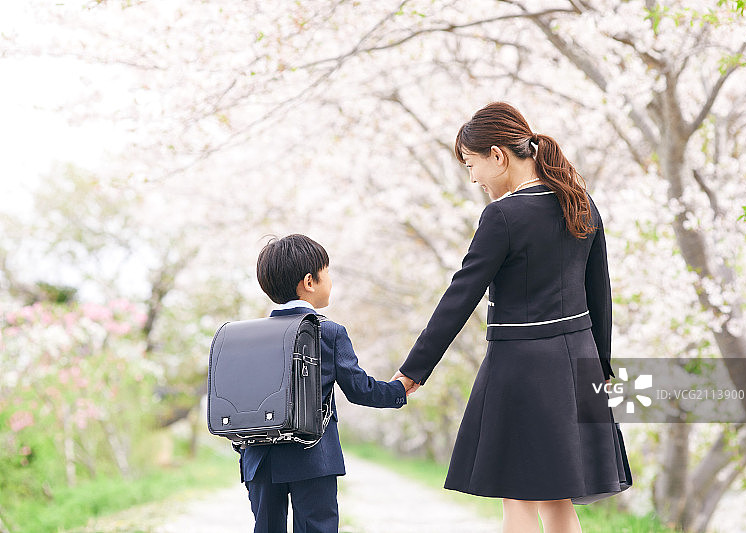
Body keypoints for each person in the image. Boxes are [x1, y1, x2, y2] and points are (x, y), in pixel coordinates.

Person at [393, 102, 632, 533]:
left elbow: (459, 298)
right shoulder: (580, 202)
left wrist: (414, 372)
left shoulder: (503, 216)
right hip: (580, 363)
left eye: (472, 164)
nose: (473, 178)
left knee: (518, 498)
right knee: (559, 500)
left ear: (498, 155)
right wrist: (603, 370)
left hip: (522, 367)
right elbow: (601, 295)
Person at [240, 234, 414, 533]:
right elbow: (360, 389)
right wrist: (399, 389)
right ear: (310, 281)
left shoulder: (248, 336)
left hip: (260, 459)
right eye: (327, 272)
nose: (330, 280)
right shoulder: (328, 332)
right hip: (313, 457)